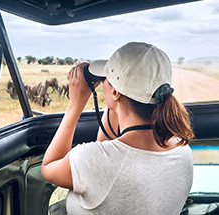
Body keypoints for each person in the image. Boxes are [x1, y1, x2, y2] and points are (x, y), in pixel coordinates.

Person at [42, 42, 194, 214]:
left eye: (107, 79)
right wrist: (116, 102)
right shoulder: (183, 151)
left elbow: (49, 167)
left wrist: (75, 104)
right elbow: (109, 153)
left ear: (115, 93)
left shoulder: (94, 160)